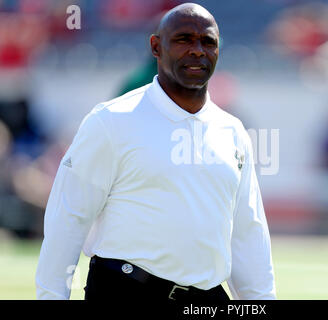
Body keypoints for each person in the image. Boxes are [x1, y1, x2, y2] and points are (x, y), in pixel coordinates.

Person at [35, 3, 276, 302]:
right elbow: (69, 219)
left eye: (208, 42)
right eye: (184, 39)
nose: (198, 50)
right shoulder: (111, 120)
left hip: (205, 299)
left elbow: (247, 235)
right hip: (125, 290)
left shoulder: (234, 132)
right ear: (156, 46)